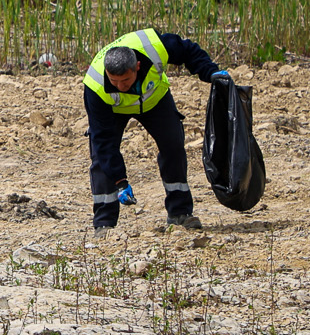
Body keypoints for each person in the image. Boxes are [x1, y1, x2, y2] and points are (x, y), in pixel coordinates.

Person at [82, 27, 231, 232]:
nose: (120, 86)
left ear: (137, 67)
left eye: (125, 80)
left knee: (173, 146)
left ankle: (180, 213)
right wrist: (121, 181)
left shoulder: (154, 47)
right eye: (114, 81)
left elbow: (188, 51)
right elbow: (103, 141)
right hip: (113, 110)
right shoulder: (96, 85)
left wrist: (210, 71)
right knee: (101, 159)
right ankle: (104, 224)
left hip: (155, 100)